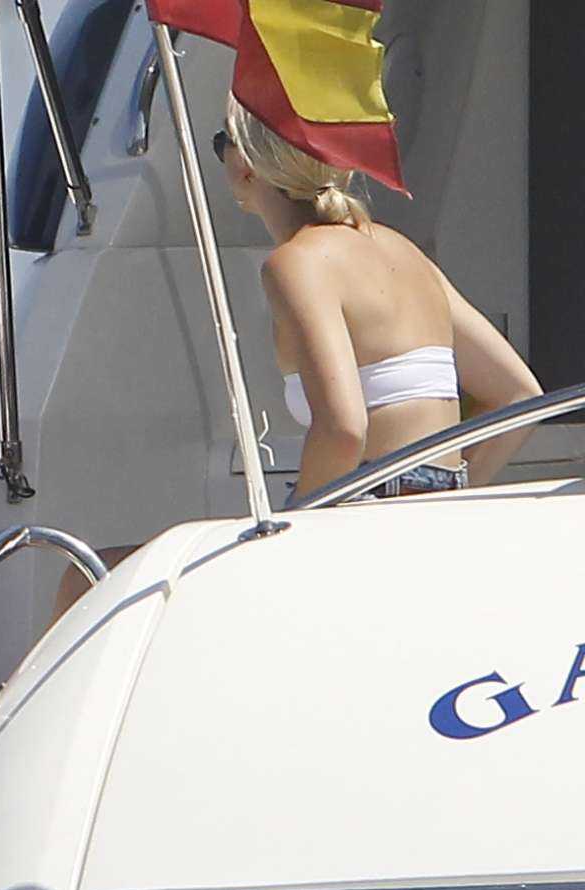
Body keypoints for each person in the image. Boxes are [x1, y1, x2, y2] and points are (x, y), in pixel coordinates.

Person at [53, 96, 543, 621]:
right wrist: (449, 495)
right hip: (426, 520)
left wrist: (294, 527)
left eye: (222, 143)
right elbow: (519, 396)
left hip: (360, 523)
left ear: (246, 166)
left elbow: (343, 428)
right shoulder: (401, 251)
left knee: (88, 578)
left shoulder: (296, 264)